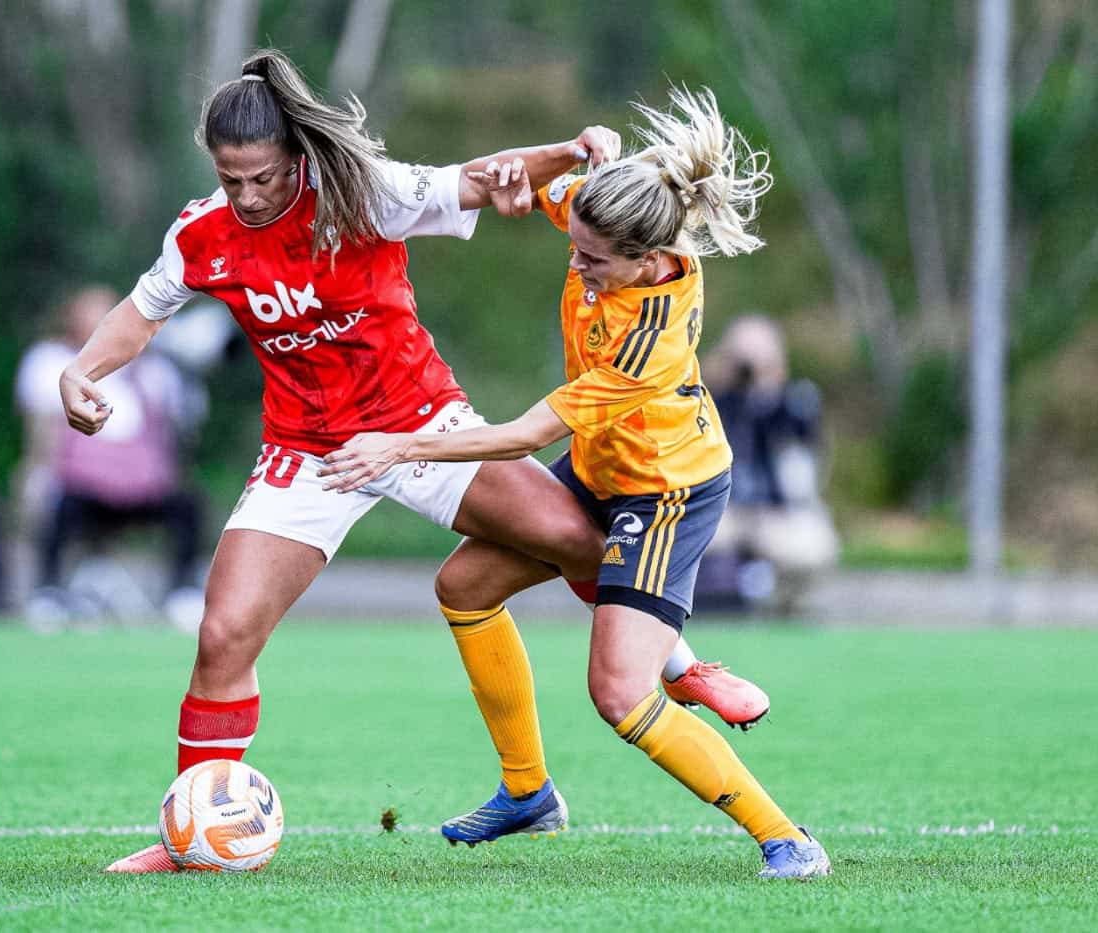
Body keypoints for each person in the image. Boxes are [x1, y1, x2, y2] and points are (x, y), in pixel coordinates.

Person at [58, 50, 769, 873]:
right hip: (309, 451)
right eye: (230, 178)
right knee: (222, 634)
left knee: (583, 542)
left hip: (420, 423)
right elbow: (143, 313)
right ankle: (191, 840)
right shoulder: (201, 232)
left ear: (295, 153)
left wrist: (568, 154)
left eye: (261, 177)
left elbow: (475, 179)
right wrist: (82, 371)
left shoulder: (363, 194)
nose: (246, 196)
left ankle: (683, 671)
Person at [322, 87, 830, 879]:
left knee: (618, 694)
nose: (582, 270)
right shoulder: (607, 217)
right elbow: (525, 189)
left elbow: (525, 433)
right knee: (464, 585)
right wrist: (566, 154)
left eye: (596, 262)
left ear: (649, 260)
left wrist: (398, 446)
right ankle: (529, 791)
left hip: (667, 493)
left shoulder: (648, 341)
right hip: (602, 468)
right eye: (576, 251)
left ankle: (786, 837)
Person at [17, 285, 205, 624]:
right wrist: (35, 473)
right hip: (82, 487)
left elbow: (176, 431)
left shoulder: (155, 372)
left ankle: (183, 592)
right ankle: (48, 593)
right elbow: (42, 433)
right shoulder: (53, 363)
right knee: (54, 505)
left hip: (143, 488)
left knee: (188, 505)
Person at [699, 314, 839, 609]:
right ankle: (705, 603)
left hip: (776, 512)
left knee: (814, 544)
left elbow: (806, 462)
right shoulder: (709, 398)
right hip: (723, 511)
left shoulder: (794, 402)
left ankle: (782, 603)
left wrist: (767, 391)